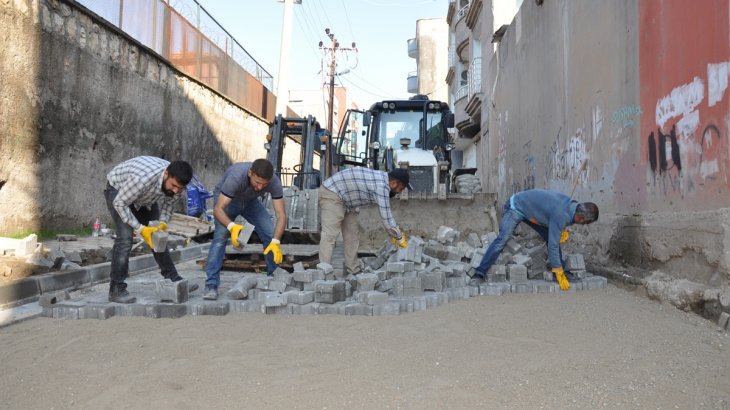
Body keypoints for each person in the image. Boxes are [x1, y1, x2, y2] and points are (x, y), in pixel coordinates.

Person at [104, 156, 194, 303]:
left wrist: (162, 223)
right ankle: (116, 289)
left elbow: (168, 205)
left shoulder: (177, 186)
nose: (176, 190)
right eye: (173, 185)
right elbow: (120, 203)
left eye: (180, 188)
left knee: (159, 237)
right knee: (125, 239)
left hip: (145, 196)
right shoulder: (142, 179)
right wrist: (140, 228)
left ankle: (173, 279)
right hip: (119, 191)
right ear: (166, 174)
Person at [473, 189, 599, 290]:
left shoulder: (572, 206)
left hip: (531, 211)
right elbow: (553, 245)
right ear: (581, 217)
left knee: (550, 237)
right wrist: (558, 269)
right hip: (516, 206)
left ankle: (557, 270)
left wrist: (561, 229)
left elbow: (555, 219)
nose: (582, 225)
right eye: (584, 223)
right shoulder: (562, 214)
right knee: (502, 239)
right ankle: (480, 272)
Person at [203, 159, 286, 300]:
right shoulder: (236, 176)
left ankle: (274, 278)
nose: (260, 188)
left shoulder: (274, 182)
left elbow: (281, 215)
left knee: (270, 233)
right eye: (257, 182)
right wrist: (232, 227)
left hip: (250, 202)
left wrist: (276, 241)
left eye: (264, 184)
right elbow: (218, 209)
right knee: (220, 238)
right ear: (250, 173)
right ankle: (211, 285)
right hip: (227, 201)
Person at [318, 167, 411, 275]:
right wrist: (399, 237)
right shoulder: (382, 186)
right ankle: (322, 274)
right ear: (394, 183)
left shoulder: (383, 179)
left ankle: (353, 270)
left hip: (348, 201)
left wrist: (393, 234)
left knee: (352, 236)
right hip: (332, 193)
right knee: (330, 235)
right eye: (401, 188)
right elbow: (387, 217)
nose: (400, 192)